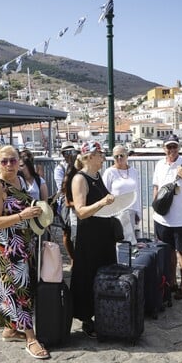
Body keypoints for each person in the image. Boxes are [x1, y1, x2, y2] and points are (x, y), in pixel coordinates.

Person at [0, 145, 50, 360]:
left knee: (12, 287)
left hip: (23, 241)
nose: (9, 165)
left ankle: (10, 330)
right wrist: (23, 216)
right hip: (8, 245)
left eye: (13, 160)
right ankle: (31, 338)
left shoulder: (20, 180)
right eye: (4, 161)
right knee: (20, 290)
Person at [69, 140, 116, 339]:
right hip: (89, 236)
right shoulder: (80, 179)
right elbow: (80, 211)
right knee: (88, 274)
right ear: (90, 157)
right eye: (100, 153)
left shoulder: (96, 176)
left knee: (104, 271)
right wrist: (102, 202)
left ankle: (103, 311)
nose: (104, 156)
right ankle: (87, 317)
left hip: (103, 233)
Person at [152, 134, 182, 300]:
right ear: (163, 148)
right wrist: (155, 207)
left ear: (179, 148)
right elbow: (156, 188)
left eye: (175, 147)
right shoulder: (159, 165)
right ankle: (171, 282)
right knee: (168, 253)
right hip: (162, 219)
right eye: (169, 147)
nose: (172, 150)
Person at [102, 144, 142, 245]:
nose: (119, 158)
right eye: (116, 156)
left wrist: (138, 212)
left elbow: (137, 191)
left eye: (122, 155)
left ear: (127, 156)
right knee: (118, 242)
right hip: (116, 213)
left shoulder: (134, 171)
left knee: (131, 243)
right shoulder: (109, 172)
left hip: (131, 211)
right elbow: (104, 194)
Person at [55, 141, 79, 262]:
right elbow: (62, 189)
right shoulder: (60, 168)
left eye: (72, 152)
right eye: (67, 152)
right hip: (65, 202)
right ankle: (71, 258)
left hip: (77, 201)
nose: (69, 155)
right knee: (66, 231)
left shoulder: (78, 165)